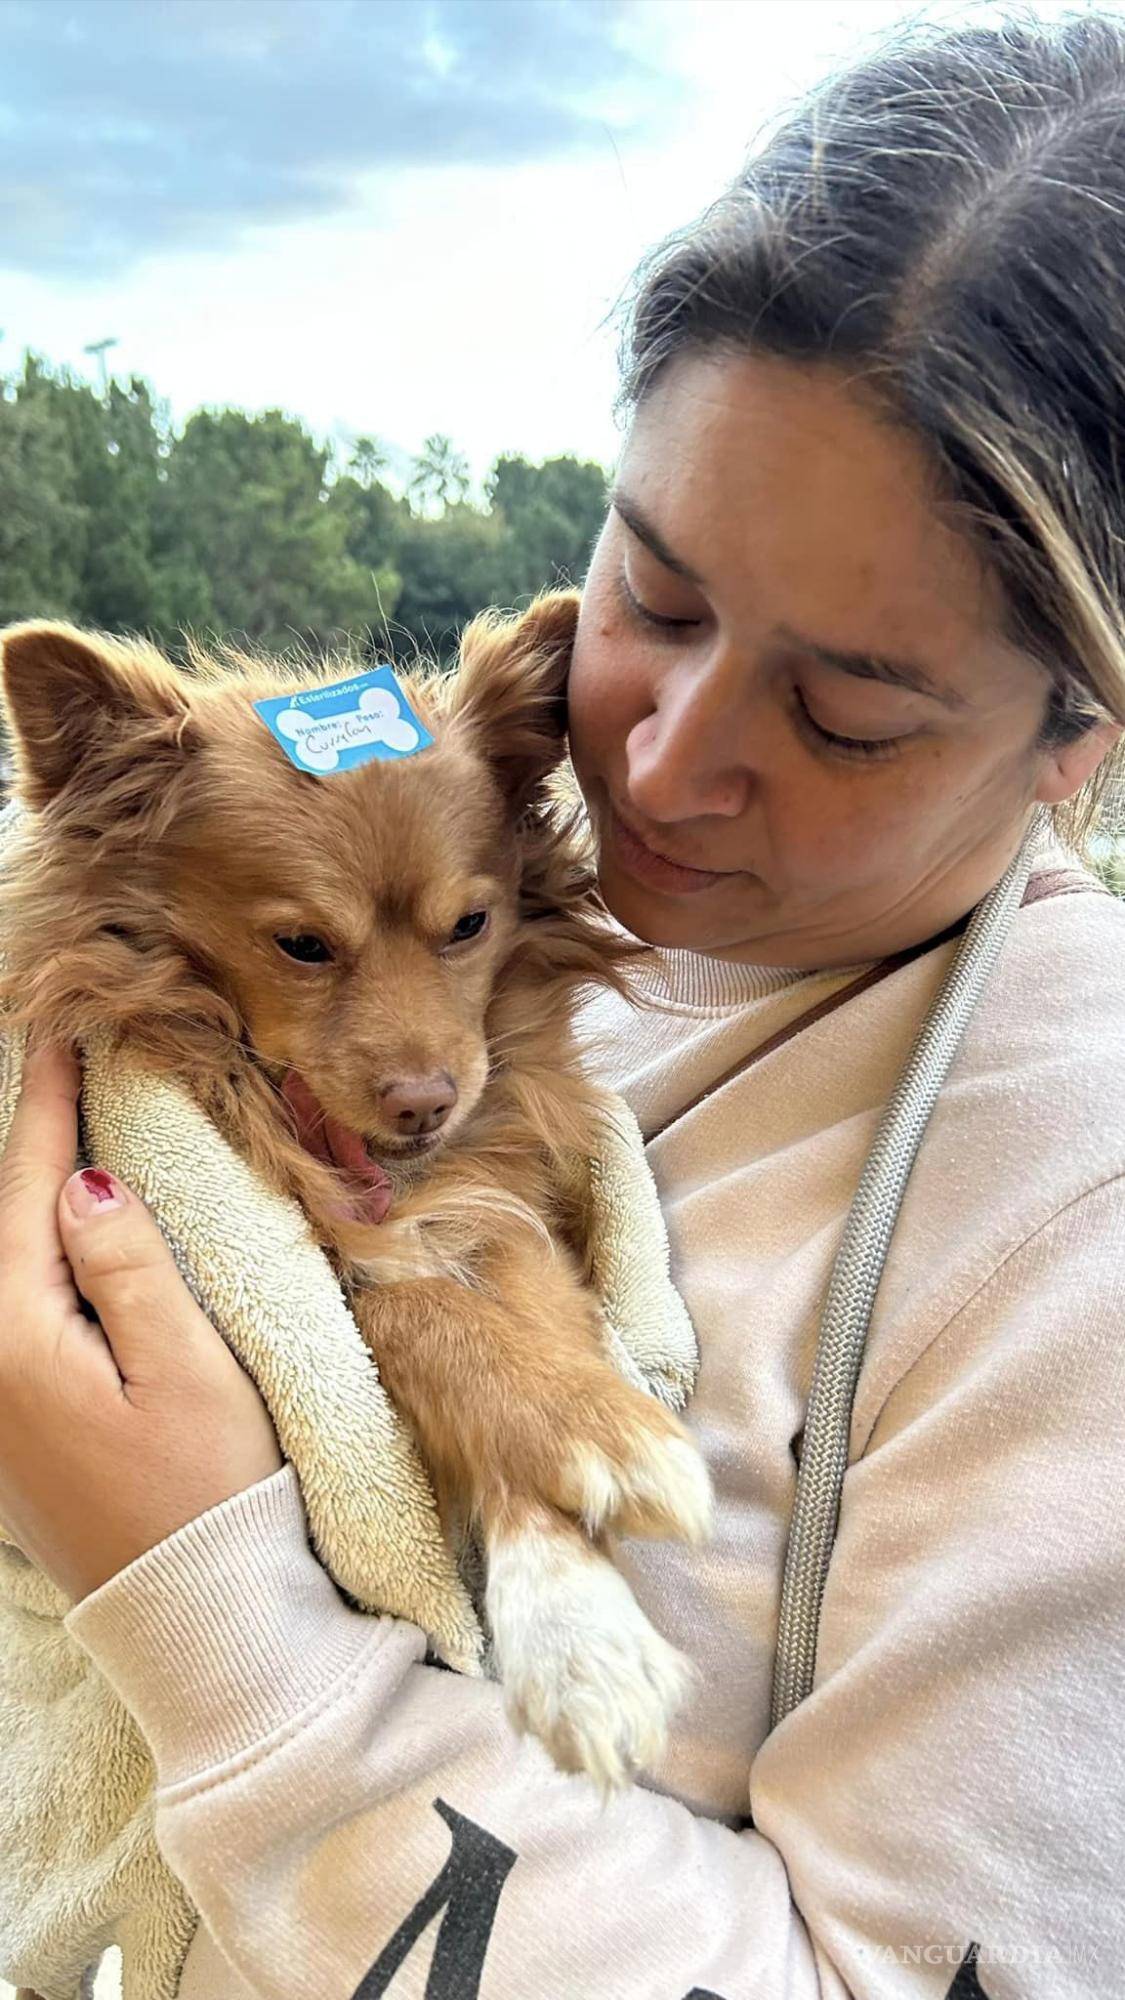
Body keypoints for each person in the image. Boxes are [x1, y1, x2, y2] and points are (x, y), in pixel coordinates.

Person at [2, 12, 1124, 1997]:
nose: (662, 768)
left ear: (1074, 737)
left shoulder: (1070, 1208)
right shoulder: (477, 839)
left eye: (843, 709)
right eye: (652, 592)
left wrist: (204, 1611)